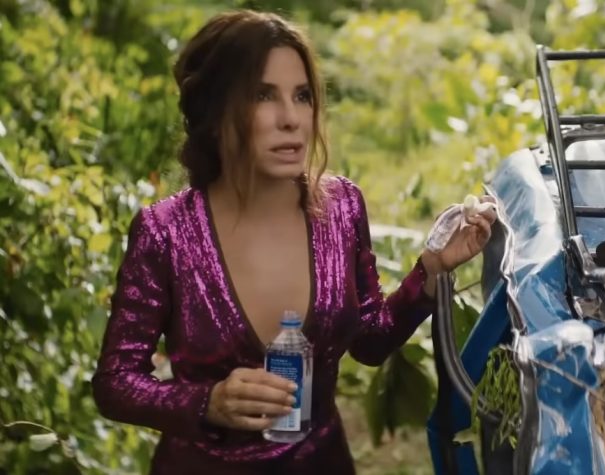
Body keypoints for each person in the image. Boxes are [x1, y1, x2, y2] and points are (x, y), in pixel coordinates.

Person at [91, 9, 496, 474]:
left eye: (302, 96)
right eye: (263, 95)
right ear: (215, 112)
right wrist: (207, 402)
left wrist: (431, 272)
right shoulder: (165, 232)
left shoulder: (340, 208)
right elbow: (115, 382)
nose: (291, 119)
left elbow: (370, 341)